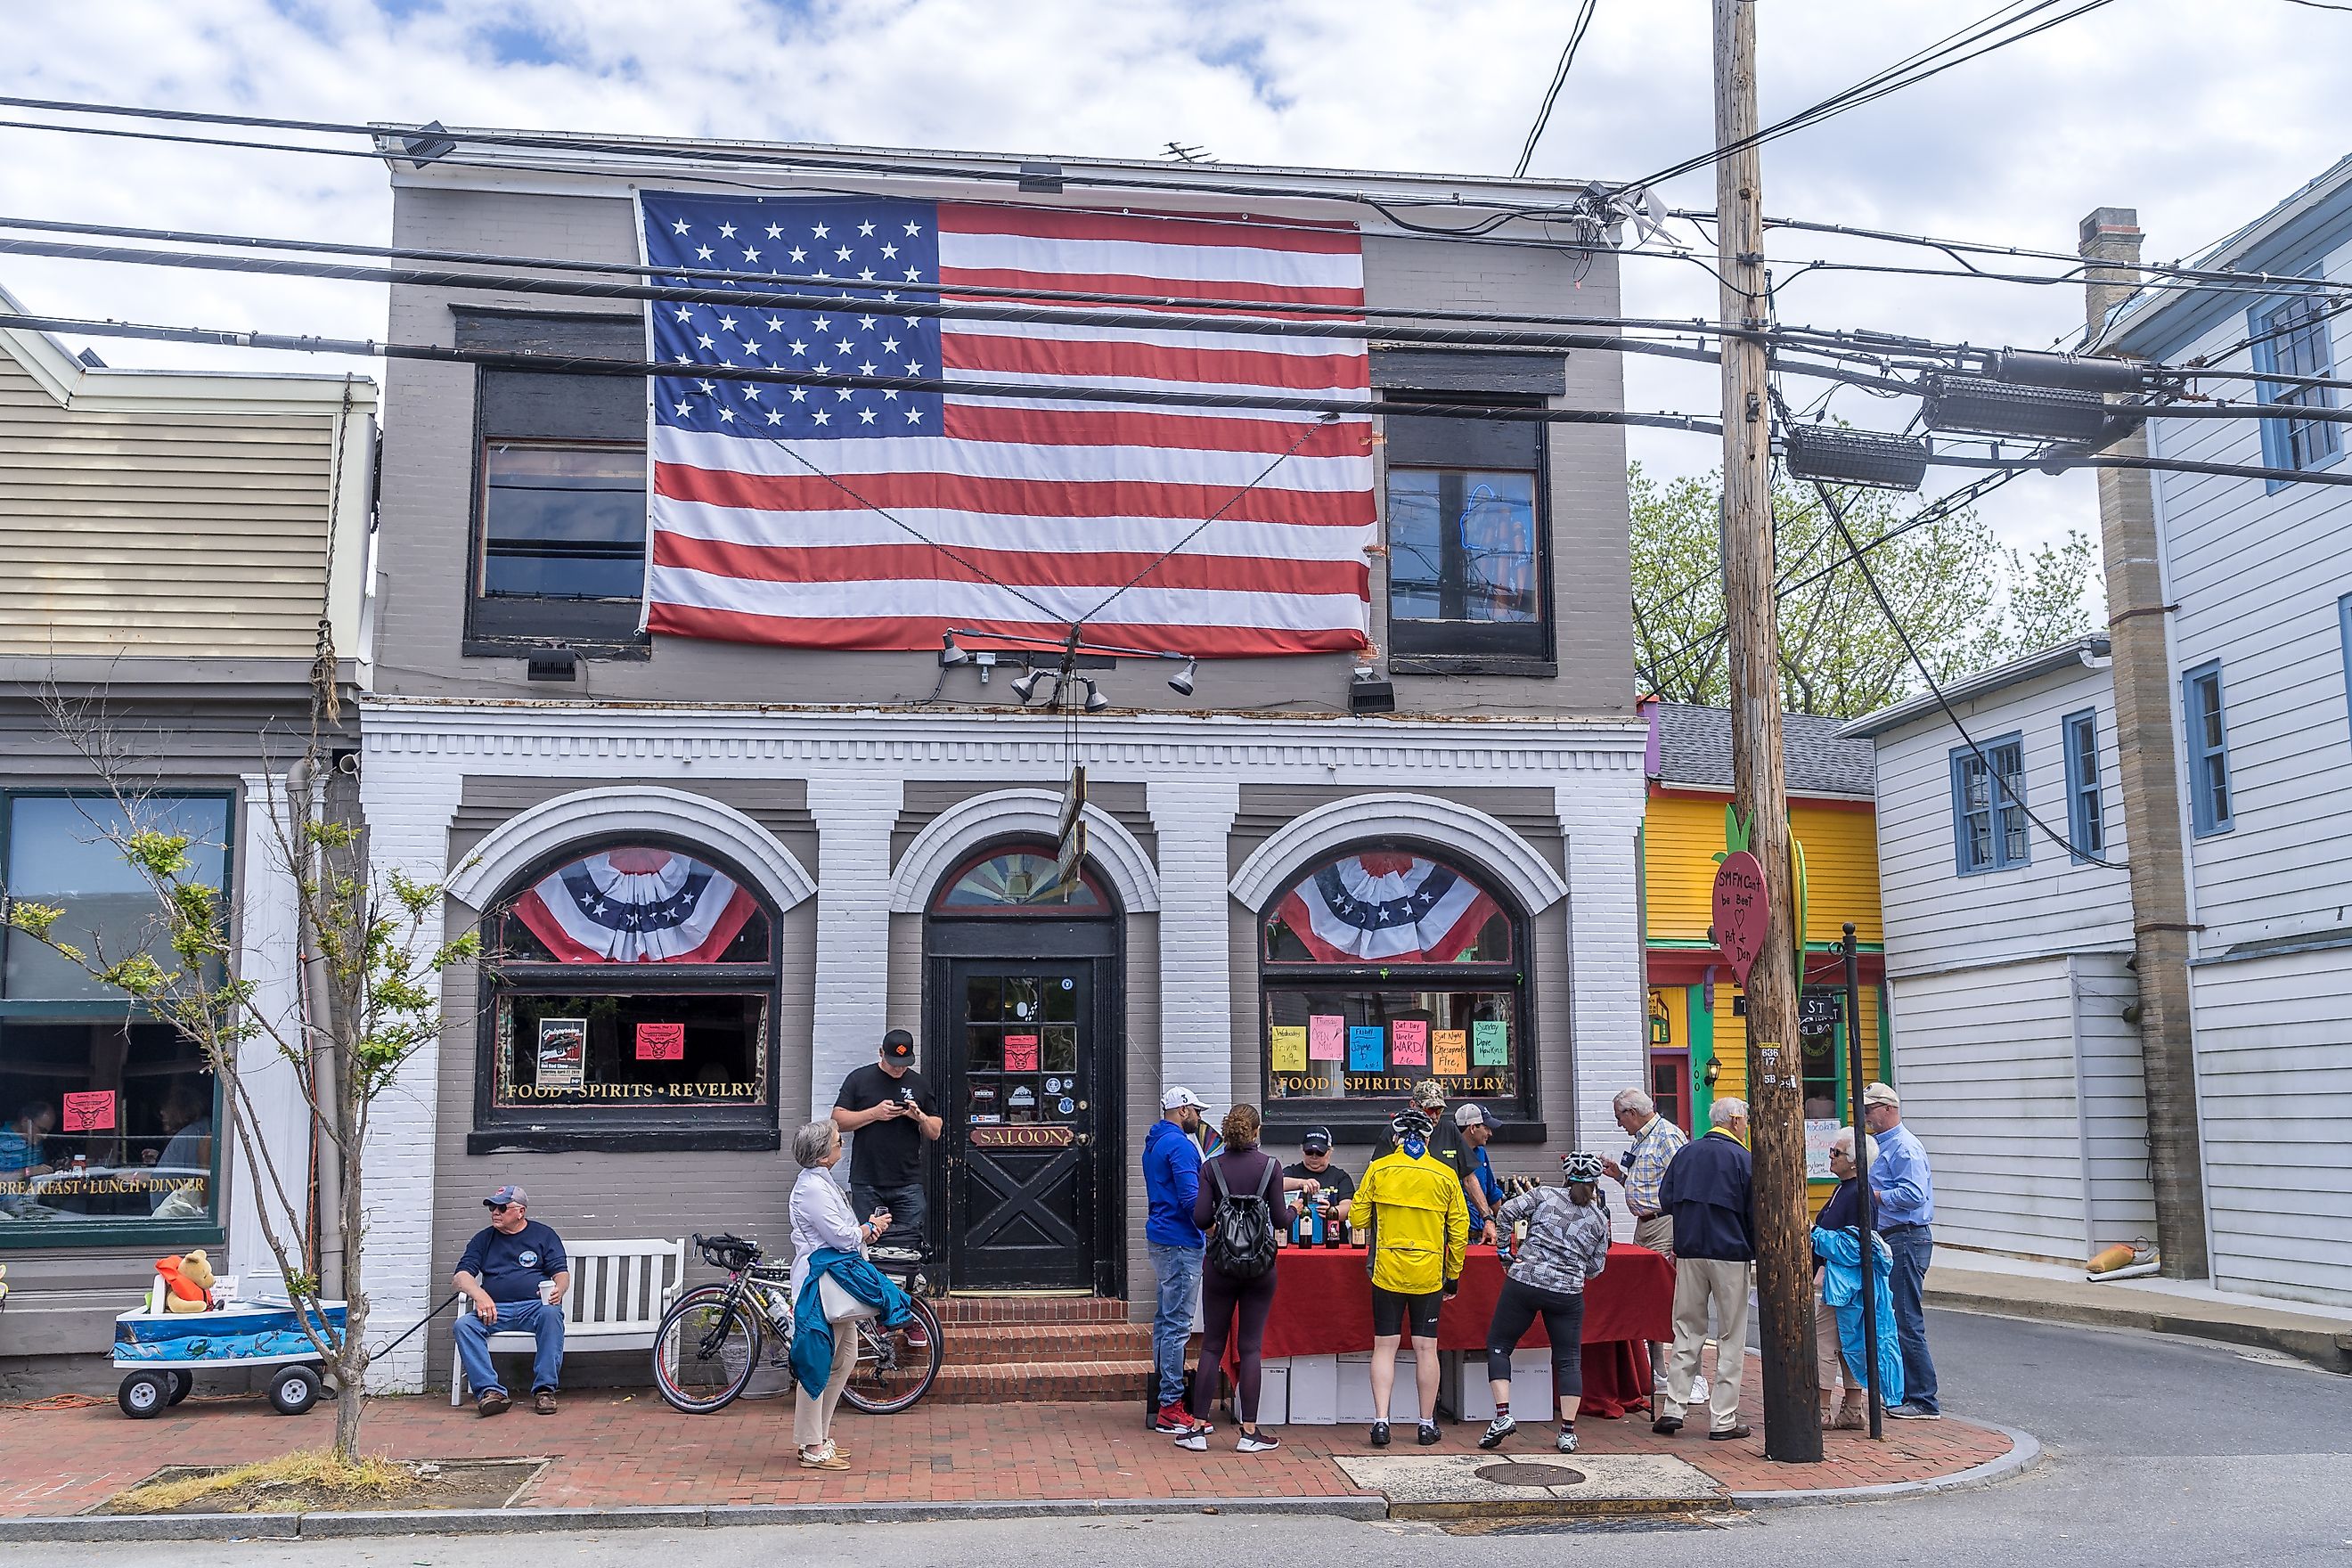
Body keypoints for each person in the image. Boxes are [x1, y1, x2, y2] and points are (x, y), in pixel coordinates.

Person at [1479, 1151, 1613, 1454]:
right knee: (1568, 1360)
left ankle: (1502, 1415)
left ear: (1566, 1177)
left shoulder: (1544, 1195)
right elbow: (1596, 1268)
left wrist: (1504, 1251)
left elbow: (1506, 1213)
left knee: (1499, 1344)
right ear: (1595, 1183)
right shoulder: (1598, 1219)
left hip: (1525, 1280)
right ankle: (1567, 1432)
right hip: (1566, 1293)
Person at [1178, 1104, 1294, 1454]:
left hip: (1220, 1266)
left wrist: (1221, 1231)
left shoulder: (1211, 1167)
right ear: (1256, 1132)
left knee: (1212, 1345)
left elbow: (1199, 1217)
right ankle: (1250, 1432)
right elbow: (1280, 1220)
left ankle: (1197, 1428)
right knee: (1251, 1347)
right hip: (1260, 1268)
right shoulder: (1270, 1167)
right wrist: (1296, 1209)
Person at [1354, 1107, 1469, 1448]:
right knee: (1426, 1348)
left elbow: (1359, 1219)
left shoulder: (1379, 1169)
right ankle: (1425, 1424)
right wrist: (1453, 1274)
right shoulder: (1445, 1174)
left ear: (1397, 1138)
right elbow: (1459, 1231)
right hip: (1429, 1272)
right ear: (1428, 1138)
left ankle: (1380, 1422)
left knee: (1384, 1347)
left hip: (1387, 1270)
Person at [787, 1118, 897, 1470]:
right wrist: (869, 1228)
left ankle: (820, 1435)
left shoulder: (821, 1182)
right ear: (822, 1154)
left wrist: (863, 1231)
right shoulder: (813, 1188)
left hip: (837, 1284)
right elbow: (840, 1236)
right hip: (822, 1284)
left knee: (845, 1356)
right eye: (837, 1141)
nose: (841, 1145)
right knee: (819, 1362)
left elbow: (843, 1232)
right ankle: (811, 1446)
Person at [1652, 1097, 1753, 1441]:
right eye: (1745, 1120)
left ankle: (1674, 1408)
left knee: (1686, 1329)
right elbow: (1756, 1212)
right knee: (1730, 1335)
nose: (1746, 1126)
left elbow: (1666, 1201)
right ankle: (1722, 1419)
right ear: (1736, 1120)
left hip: (1691, 1249)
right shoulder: (1743, 1159)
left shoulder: (1686, 1153)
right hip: (1730, 1252)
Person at [452, 1184, 570, 1417]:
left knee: (551, 1313)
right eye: (492, 1208)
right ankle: (490, 1392)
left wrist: (559, 1289)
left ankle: (545, 1391)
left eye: (502, 1207)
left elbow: (561, 1273)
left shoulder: (543, 1235)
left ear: (520, 1212)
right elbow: (461, 1275)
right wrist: (480, 1296)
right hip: (495, 1310)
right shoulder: (483, 1240)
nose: (495, 1212)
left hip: (534, 1308)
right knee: (464, 1325)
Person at [1601, 1086, 1688, 1393]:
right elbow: (1650, 1185)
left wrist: (1680, 1237)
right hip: (1646, 1225)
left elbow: (1685, 1185)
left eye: (1619, 1118)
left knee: (1665, 1297)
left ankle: (1682, 1375)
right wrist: (1618, 1176)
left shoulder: (1668, 1137)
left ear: (1632, 1113)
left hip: (1665, 1224)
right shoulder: (1643, 1140)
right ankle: (1657, 1372)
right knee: (1646, 1299)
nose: (1618, 1125)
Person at [1862, 1082, 1940, 1419]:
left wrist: (1876, 1197)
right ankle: (1906, 1391)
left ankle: (1923, 1399)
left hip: (1906, 1236)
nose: (1865, 1115)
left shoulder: (1904, 1148)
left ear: (1889, 1109)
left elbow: (1913, 1194)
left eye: (1870, 1109)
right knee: (1893, 1316)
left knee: (1906, 1319)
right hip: (1893, 1236)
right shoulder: (1884, 1146)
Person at [830, 1029, 943, 1256]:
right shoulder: (859, 1079)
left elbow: (935, 1131)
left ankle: (905, 1290)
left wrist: (918, 1115)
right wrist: (875, 1113)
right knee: (868, 1246)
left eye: (904, 1064)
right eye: (893, 1063)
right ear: (881, 1053)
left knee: (909, 1245)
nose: (899, 1069)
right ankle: (873, 1290)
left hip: (908, 1181)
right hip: (868, 1179)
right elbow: (837, 1121)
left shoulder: (919, 1083)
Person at [1144, 1085, 1212, 1436]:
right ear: (1183, 1110)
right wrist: (1213, 1228)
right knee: (1178, 1325)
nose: (1199, 1118)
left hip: (1161, 1236)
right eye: (1196, 1112)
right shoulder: (1182, 1146)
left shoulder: (1154, 1142)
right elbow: (1190, 1198)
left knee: (1164, 1320)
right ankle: (1171, 1405)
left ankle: (1163, 1399)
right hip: (1182, 1241)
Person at [1812, 1126, 1885, 1430]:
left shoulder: (1857, 1193)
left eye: (1837, 1153)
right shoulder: (1848, 1187)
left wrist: (1816, 1238)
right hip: (1845, 1281)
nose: (1831, 1156)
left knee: (1823, 1341)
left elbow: (1854, 1244)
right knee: (1849, 1341)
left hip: (1843, 1281)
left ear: (1855, 1162)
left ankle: (1822, 1409)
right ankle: (1853, 1409)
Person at [149, 1082, 212, 1214]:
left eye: (167, 1107)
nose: (161, 1112)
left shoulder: (188, 1137)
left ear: (183, 1109)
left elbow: (165, 1188)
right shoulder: (204, 1128)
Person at [1285, 1128, 1354, 1237]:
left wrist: (1332, 1211)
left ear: (1329, 1152)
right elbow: (1276, 1184)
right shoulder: (1292, 1172)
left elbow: (1349, 1207)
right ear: (1302, 1150)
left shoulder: (1340, 1177)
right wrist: (1300, 1183)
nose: (1314, 1156)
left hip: (1332, 1243)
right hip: (1296, 1243)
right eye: (1309, 1152)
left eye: (1320, 1153)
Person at [1453, 1103, 1503, 1243]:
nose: (1490, 1133)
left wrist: (1506, 1225)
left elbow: (1492, 1194)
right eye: (1486, 1128)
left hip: (1481, 1236)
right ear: (1473, 1128)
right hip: (1454, 1239)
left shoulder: (1481, 1153)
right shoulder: (1448, 1153)